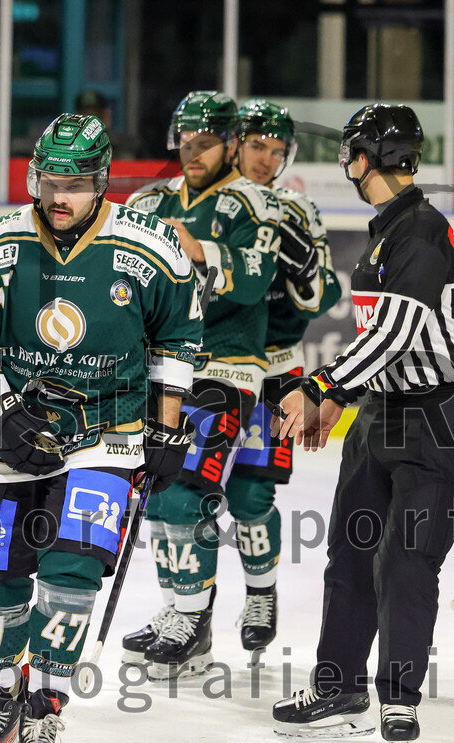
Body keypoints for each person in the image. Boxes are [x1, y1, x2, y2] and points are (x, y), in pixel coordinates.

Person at [0, 113, 202, 743]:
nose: (61, 197)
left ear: (101, 183)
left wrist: (169, 427)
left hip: (105, 435)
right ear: (34, 176)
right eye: (51, 181)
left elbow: (178, 336)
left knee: (73, 572)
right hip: (5, 436)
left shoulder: (146, 250)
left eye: (77, 184)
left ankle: (44, 711)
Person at [269, 104, 454, 743]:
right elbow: (381, 340)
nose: (347, 161)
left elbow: (397, 333)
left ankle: (398, 697)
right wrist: (345, 399)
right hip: (385, 411)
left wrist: (320, 387)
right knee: (351, 550)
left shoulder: (419, 230)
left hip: (443, 417)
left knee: (405, 559)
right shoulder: (391, 227)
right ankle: (339, 688)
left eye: (351, 151)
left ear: (363, 157)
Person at [122, 90, 281, 680]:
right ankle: (178, 612)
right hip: (163, 367)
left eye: (207, 141)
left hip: (228, 367)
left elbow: (256, 278)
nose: (193, 151)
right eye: (185, 141)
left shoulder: (251, 201)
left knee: (191, 490)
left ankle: (192, 617)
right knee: (160, 491)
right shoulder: (150, 200)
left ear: (231, 144)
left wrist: (200, 249)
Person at [219, 98, 343, 654]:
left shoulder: (297, 209)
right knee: (181, 493)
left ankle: (261, 592)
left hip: (273, 374)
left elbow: (324, 296)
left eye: (276, 149)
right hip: (209, 369)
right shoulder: (210, 206)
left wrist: (305, 266)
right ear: (234, 144)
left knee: (251, 494)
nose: (266, 159)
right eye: (255, 146)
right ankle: (185, 610)